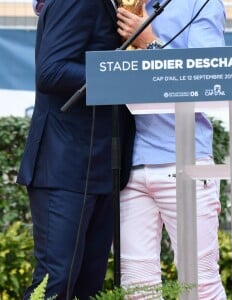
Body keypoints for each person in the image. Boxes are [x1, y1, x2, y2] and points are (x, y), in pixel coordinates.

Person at [17, 0, 135, 299]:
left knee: (88, 284)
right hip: (64, 166)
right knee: (56, 281)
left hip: (103, 167)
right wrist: (126, 75)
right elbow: (51, 71)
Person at [116, 0, 227, 298]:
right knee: (136, 287)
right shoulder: (121, 3)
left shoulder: (198, 4)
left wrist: (150, 43)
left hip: (184, 160)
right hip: (128, 165)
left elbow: (211, 76)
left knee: (200, 283)